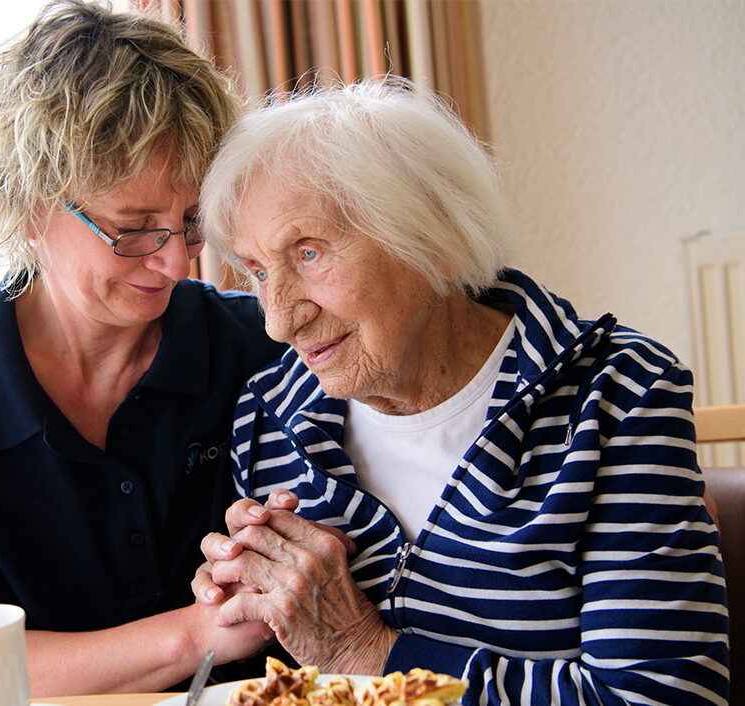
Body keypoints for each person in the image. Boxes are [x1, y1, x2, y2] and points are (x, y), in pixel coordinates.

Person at [192, 78, 730, 704]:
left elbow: (660, 697)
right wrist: (254, 590)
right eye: (257, 271)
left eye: (309, 253)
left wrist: (365, 651)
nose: (278, 321)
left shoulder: (615, 399)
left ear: (435, 239)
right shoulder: (272, 412)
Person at [0, 0, 285, 696]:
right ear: (29, 205)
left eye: (191, 223)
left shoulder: (258, 350)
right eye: (134, 228)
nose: (177, 265)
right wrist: (195, 633)